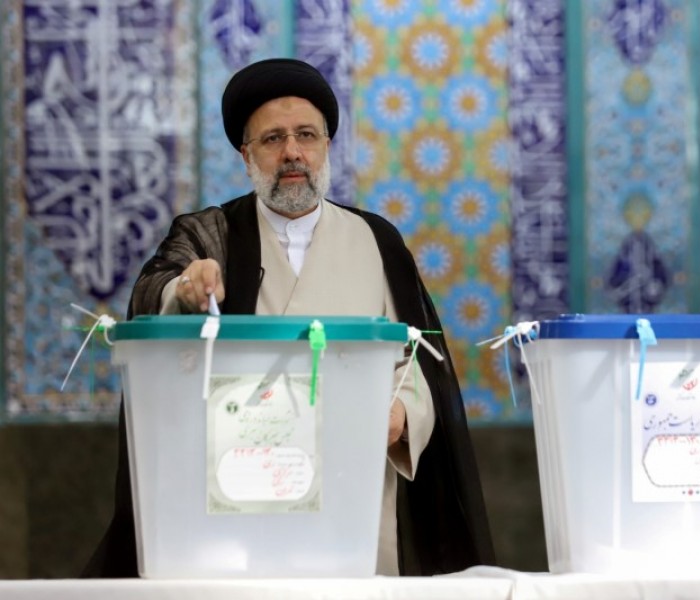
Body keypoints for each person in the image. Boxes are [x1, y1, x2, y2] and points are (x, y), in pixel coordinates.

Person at [83, 57, 495, 577]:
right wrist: (187, 289)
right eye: (273, 139)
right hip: (236, 493)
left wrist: (403, 416)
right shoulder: (210, 234)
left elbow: (417, 358)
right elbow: (152, 292)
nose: (292, 152)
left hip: (352, 500)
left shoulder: (377, 240)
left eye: (306, 135)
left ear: (326, 145)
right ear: (246, 154)